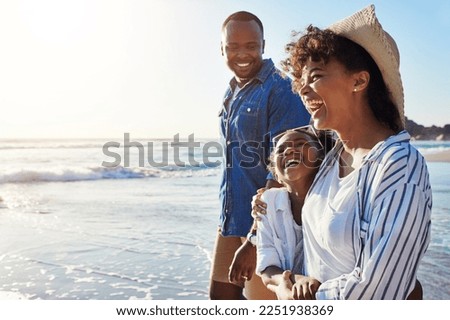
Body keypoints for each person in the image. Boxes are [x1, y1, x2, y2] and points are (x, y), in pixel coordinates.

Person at [253, 4, 431, 299]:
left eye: (316, 76)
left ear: (359, 81)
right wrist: (268, 202)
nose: (302, 90)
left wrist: (303, 304)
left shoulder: (398, 165)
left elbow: (377, 292)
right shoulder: (331, 157)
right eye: (301, 81)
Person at [210, 11, 310, 300]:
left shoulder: (280, 90)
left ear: (263, 45)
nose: (242, 54)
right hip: (231, 220)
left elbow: (285, 173)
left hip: (267, 227)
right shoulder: (231, 92)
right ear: (222, 49)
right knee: (221, 298)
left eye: (250, 46)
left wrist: (254, 239)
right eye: (232, 47)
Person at [255, 126, 333, 300]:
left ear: (321, 159)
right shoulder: (267, 203)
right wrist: (290, 281)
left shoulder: (335, 201)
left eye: (300, 144)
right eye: (281, 150)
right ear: (276, 174)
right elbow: (267, 267)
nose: (289, 150)